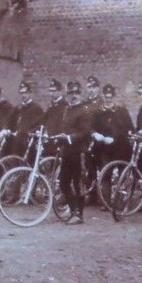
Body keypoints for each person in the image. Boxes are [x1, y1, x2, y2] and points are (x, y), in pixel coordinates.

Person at [57, 80, 94, 223]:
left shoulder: (84, 111)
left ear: (80, 94)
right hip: (67, 152)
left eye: (76, 93)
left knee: (78, 184)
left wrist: (68, 138)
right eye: (70, 93)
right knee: (63, 182)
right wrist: (60, 139)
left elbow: (85, 132)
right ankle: (73, 210)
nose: (73, 96)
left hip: (79, 152)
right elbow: (64, 129)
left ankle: (79, 214)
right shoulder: (67, 110)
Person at [91, 83, 135, 173]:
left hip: (121, 147)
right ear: (103, 97)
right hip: (104, 148)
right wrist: (95, 134)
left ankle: (122, 186)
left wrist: (114, 138)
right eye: (106, 97)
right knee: (105, 172)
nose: (108, 100)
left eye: (110, 97)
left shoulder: (122, 112)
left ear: (114, 97)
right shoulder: (98, 112)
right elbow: (90, 127)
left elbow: (129, 129)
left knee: (122, 172)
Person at [1, 81, 45, 158]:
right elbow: (10, 121)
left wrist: (28, 133)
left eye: (25, 93)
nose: (23, 95)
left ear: (30, 93)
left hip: (27, 142)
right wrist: (6, 129)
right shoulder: (18, 108)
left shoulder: (36, 108)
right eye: (21, 93)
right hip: (15, 141)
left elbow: (41, 125)